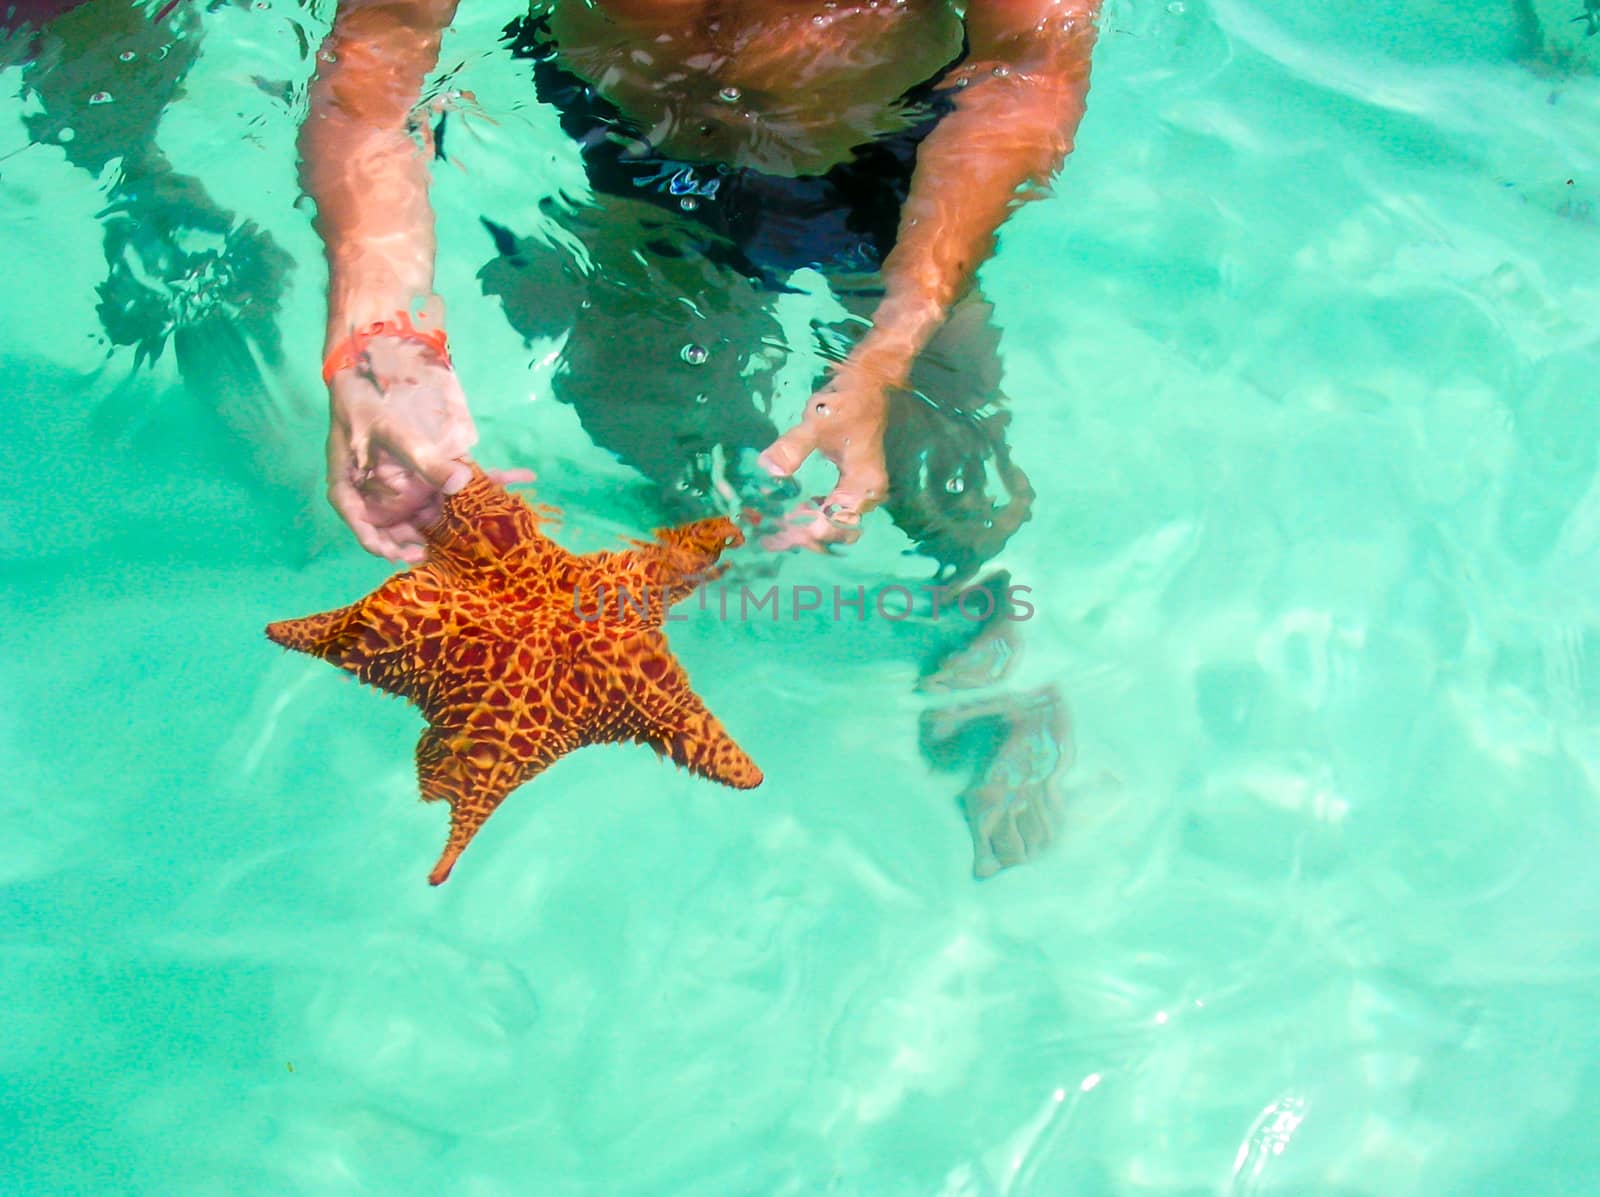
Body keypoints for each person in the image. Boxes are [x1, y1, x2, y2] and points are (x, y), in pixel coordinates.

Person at [298, 0, 1102, 570]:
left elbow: (1028, 74)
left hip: (885, 159)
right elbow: (374, 73)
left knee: (954, 474)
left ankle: (977, 626)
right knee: (643, 417)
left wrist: (895, 338)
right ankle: (727, 574)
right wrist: (378, 337)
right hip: (637, 138)